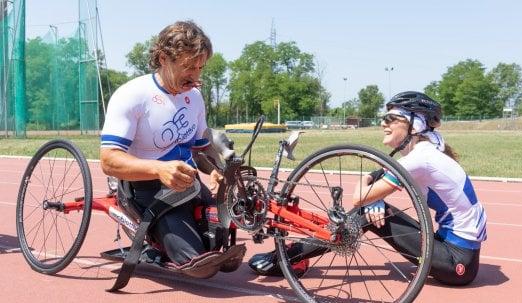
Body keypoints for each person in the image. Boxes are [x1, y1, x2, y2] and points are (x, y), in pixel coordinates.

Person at [249, 91, 487, 286]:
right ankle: (292, 256)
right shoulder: (426, 153)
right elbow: (379, 178)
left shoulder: (421, 159)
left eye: (392, 118)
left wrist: (367, 187)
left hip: (457, 262)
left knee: (366, 213)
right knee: (373, 209)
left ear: (415, 125)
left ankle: (287, 258)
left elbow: (359, 198)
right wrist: (374, 196)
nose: (384, 123)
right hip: (453, 251)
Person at [100, 20, 244, 279]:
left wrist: (213, 172)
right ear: (164, 58)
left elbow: (200, 151)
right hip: (145, 186)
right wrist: (159, 169)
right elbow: (109, 161)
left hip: (188, 183)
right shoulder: (132, 95)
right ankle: (155, 244)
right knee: (199, 265)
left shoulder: (195, 98)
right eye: (189, 67)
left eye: (200, 67)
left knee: (221, 242)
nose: (196, 77)